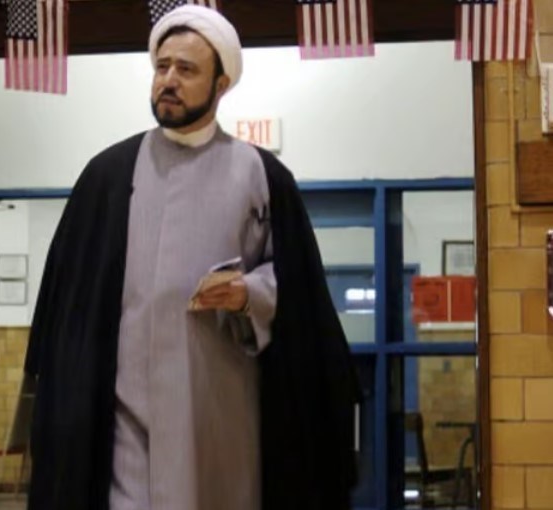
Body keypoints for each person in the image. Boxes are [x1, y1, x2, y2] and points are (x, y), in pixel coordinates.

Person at [24, 5, 360, 510]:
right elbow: (66, 306)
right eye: (162, 67)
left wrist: (250, 294)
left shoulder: (260, 175)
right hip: (121, 425)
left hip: (218, 419)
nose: (169, 81)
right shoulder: (107, 176)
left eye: (186, 69)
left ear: (220, 84)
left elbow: (298, 290)